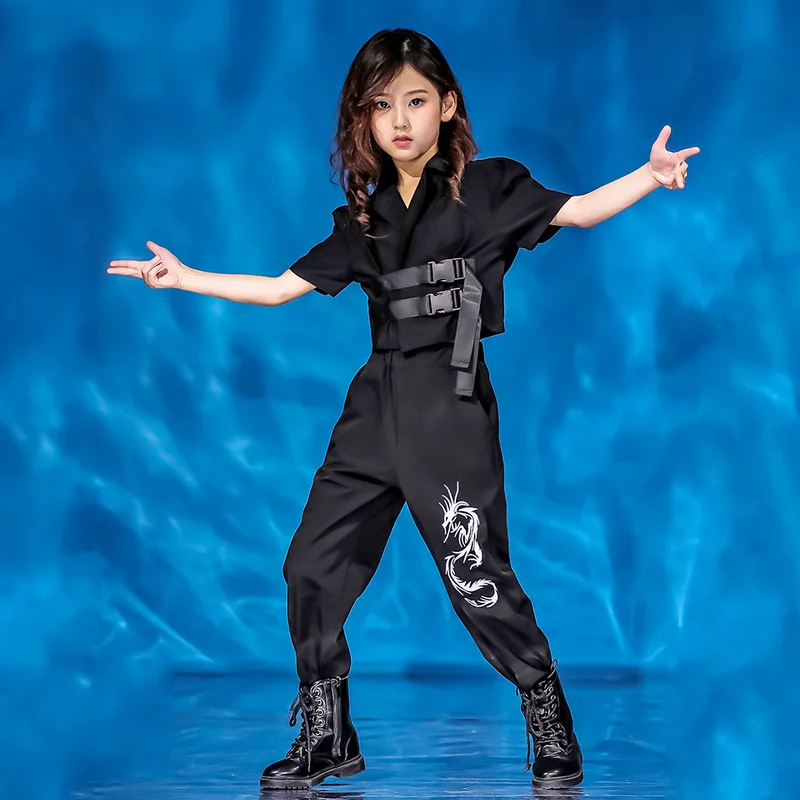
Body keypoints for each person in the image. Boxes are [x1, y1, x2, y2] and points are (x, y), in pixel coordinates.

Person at [108, 27, 699, 792]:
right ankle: (328, 735)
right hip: (373, 409)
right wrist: (184, 277)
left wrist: (650, 175)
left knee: (475, 577)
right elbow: (280, 289)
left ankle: (548, 715)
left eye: (415, 101)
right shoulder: (364, 219)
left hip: (447, 407)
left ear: (447, 106)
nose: (399, 120)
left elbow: (580, 211)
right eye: (381, 106)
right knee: (310, 566)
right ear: (364, 119)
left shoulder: (490, 189)